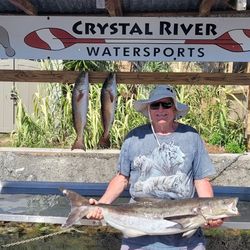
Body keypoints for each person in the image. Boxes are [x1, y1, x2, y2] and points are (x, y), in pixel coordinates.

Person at [87, 85, 224, 250]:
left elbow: (201, 179)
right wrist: (101, 205)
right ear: (148, 109)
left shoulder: (191, 136)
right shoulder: (134, 137)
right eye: (155, 105)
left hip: (185, 232)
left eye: (166, 104)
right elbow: (122, 178)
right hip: (138, 228)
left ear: (175, 109)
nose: (161, 109)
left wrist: (211, 213)